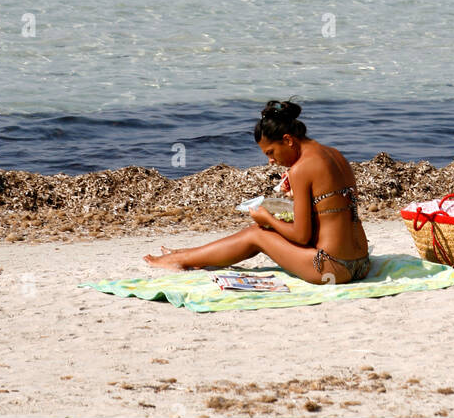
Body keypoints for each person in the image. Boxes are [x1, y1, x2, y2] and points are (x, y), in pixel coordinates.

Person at [144, 100, 371, 284]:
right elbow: (333, 213)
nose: (271, 161)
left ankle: (182, 259)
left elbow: (302, 237)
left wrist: (268, 218)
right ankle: (190, 255)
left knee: (256, 233)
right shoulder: (334, 154)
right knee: (261, 229)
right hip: (361, 264)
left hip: (332, 267)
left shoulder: (301, 168)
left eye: (271, 152)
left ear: (288, 140)